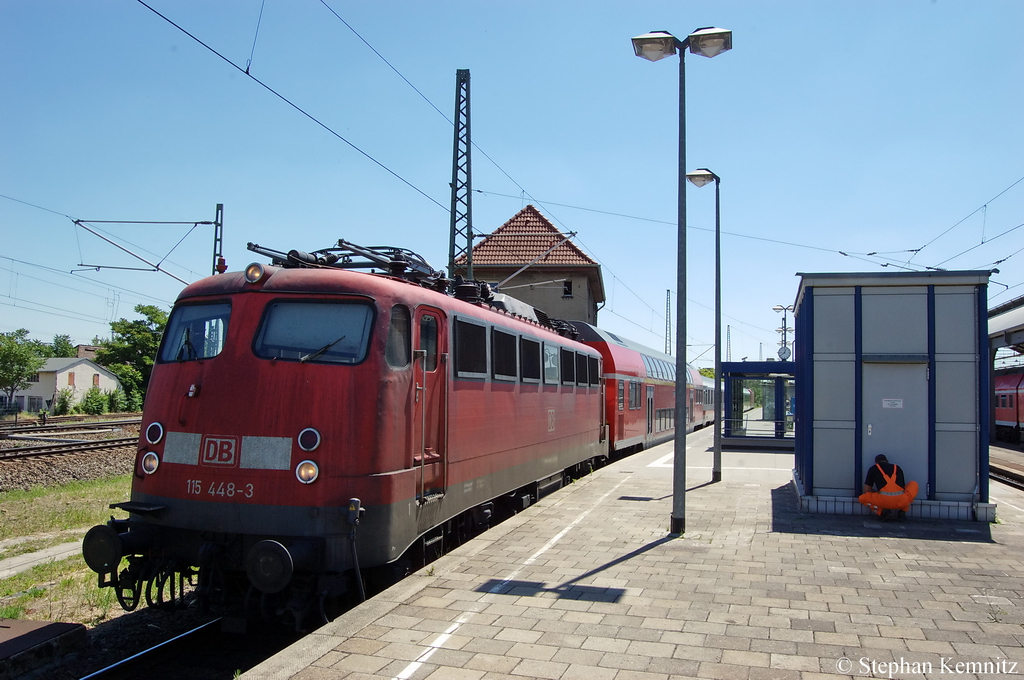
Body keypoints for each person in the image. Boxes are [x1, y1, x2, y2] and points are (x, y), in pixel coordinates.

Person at [859, 454, 918, 521]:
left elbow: (867, 490)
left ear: (876, 462)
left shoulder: (873, 469)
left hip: (883, 501)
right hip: (901, 501)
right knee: (913, 484)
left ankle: (883, 512)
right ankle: (902, 512)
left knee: (862, 498)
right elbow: (903, 488)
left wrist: (878, 494)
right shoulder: (897, 468)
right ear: (887, 461)